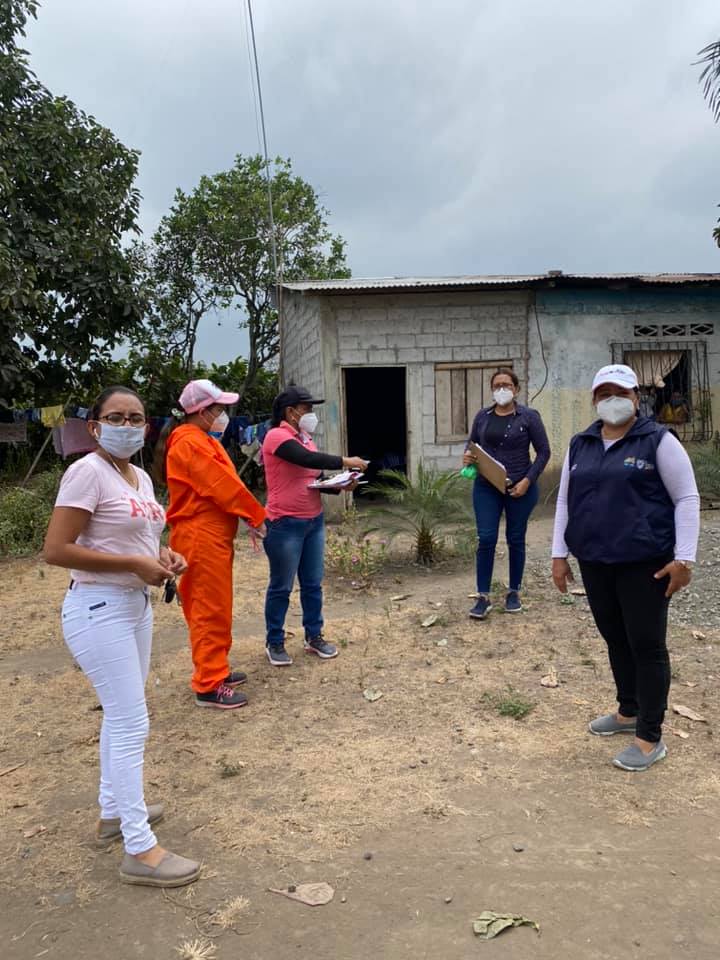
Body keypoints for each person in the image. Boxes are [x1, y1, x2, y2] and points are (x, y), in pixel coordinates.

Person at [43, 386, 200, 888]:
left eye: (136, 418)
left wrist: (162, 556)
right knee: (132, 723)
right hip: (98, 607)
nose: (127, 425)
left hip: (135, 606)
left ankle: (113, 812)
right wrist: (133, 564)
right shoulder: (86, 471)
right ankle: (139, 848)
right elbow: (56, 549)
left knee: (121, 717)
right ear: (94, 426)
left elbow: (139, 538)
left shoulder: (140, 477)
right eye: (116, 417)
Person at [551, 364, 700, 772]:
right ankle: (628, 709)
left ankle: (650, 737)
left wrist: (684, 559)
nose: (612, 400)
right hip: (595, 561)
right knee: (615, 637)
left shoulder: (658, 441)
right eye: (605, 394)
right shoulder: (581, 443)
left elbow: (687, 499)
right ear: (594, 400)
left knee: (646, 645)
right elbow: (564, 500)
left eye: (621, 393)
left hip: (645, 563)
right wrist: (559, 554)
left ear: (637, 398)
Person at [156, 379, 267, 710]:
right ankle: (208, 684)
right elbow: (223, 485)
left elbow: (224, 485)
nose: (223, 415)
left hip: (211, 535)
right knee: (207, 608)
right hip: (199, 537)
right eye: (219, 409)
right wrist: (255, 515)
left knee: (217, 605)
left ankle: (217, 668)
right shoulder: (190, 443)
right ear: (202, 412)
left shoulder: (199, 439)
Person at [261, 385, 369, 665]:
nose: (311, 413)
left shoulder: (306, 438)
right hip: (285, 523)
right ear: (291, 412)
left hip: (313, 522)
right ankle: (274, 641)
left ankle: (314, 635)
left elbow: (315, 476)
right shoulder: (277, 437)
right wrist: (345, 461)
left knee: (312, 584)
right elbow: (306, 459)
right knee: (281, 586)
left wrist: (340, 484)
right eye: (307, 408)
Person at [462, 367, 550, 619]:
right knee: (486, 538)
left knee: (515, 538)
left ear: (516, 389)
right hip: (486, 486)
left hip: (519, 488)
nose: (502, 389)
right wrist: (467, 455)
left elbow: (544, 452)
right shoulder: (482, 416)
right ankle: (483, 596)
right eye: (497, 385)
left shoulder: (529, 417)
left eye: (507, 385)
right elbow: (472, 444)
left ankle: (514, 592)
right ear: (492, 390)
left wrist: (528, 481)